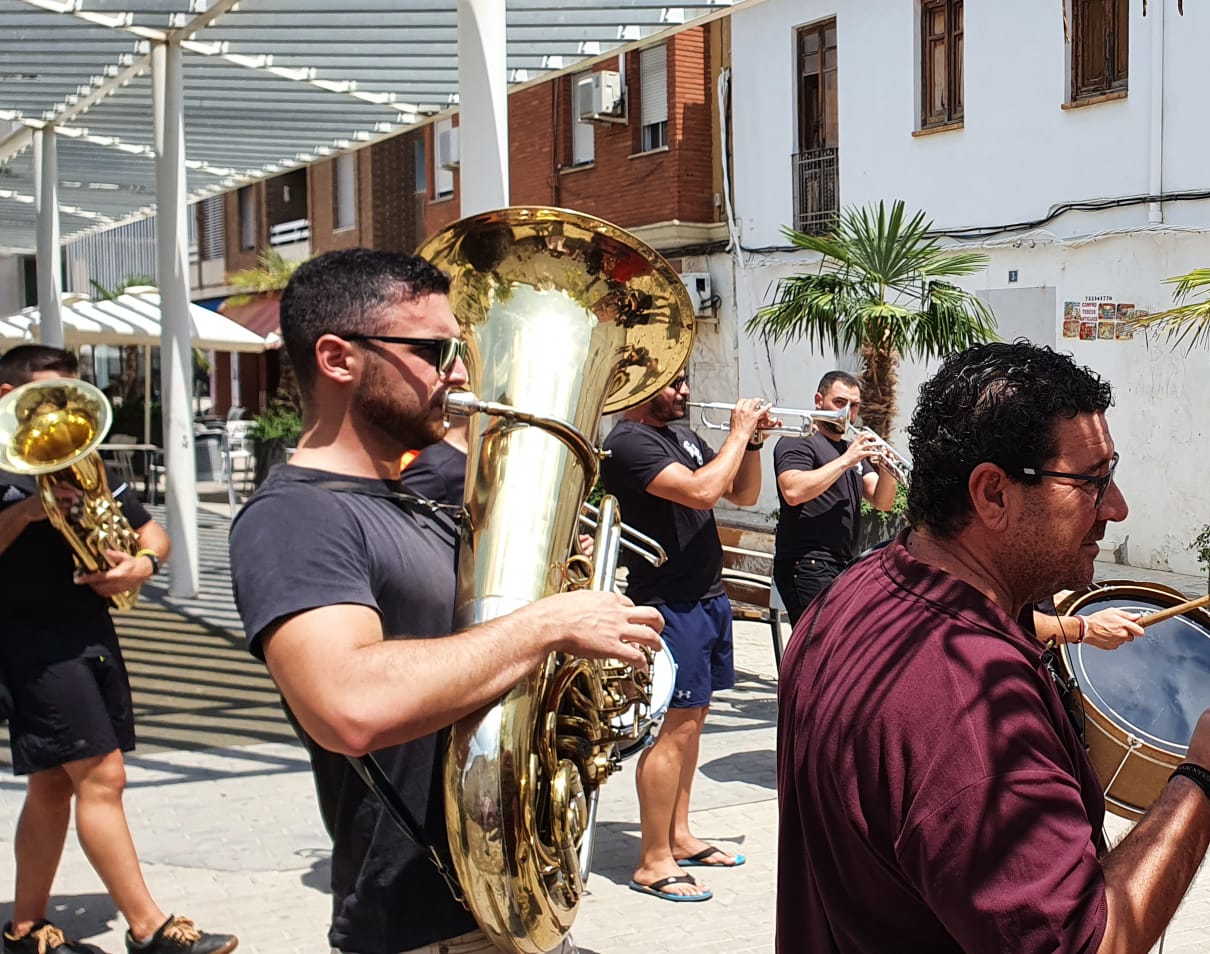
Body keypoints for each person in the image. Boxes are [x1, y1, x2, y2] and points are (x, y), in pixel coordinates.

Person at [775, 340, 1210, 952]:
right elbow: (1083, 944)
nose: (1118, 507)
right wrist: (1206, 784)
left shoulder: (852, 595)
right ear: (993, 493)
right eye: (1090, 482)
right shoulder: (972, 710)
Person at [228, 248, 664, 954]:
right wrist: (549, 623)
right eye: (434, 350)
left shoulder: (420, 507)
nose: (460, 372)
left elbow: (480, 661)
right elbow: (349, 705)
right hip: (419, 927)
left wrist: (574, 603)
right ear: (338, 358)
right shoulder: (294, 519)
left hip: (499, 904)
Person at [1, 346, 237, 954]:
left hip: (88, 640)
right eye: (49, 400)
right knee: (104, 775)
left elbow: (148, 527)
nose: (62, 414)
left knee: (52, 783)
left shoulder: (83, 461)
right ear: (9, 399)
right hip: (31, 647)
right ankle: (148, 927)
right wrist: (30, 510)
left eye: (70, 400)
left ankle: (24, 929)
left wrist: (141, 564)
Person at [599, 371, 776, 903]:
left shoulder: (685, 438)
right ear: (639, 387)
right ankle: (652, 861)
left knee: (691, 724)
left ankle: (677, 834)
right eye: (672, 383)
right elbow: (701, 493)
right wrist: (740, 430)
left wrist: (754, 444)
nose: (684, 390)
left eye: (684, 380)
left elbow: (741, 495)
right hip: (668, 605)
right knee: (670, 730)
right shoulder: (628, 442)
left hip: (706, 599)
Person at [770, 370, 897, 621]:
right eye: (839, 402)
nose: (847, 412)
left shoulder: (849, 450)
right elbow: (793, 491)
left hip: (841, 564)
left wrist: (888, 469)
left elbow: (882, 501)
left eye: (854, 406)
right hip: (807, 563)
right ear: (819, 400)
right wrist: (847, 461)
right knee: (817, 647)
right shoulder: (800, 441)